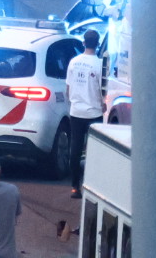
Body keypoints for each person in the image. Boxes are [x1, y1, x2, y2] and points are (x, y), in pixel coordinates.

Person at [64, 29, 105, 197]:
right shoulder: (100, 64)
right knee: (95, 151)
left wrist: (73, 100)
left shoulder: (74, 62)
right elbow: (102, 89)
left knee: (75, 149)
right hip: (94, 112)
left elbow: (68, 88)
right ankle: (93, 186)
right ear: (98, 43)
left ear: (83, 42)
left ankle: (75, 186)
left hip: (77, 111)